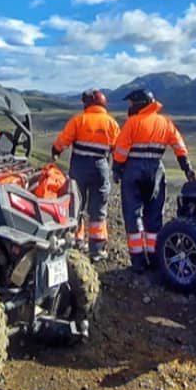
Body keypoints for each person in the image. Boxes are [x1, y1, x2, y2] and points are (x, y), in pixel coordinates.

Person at [112, 89, 196, 272]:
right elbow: (179, 147)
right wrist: (187, 168)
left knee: (133, 216)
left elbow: (120, 150)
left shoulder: (133, 123)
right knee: (154, 216)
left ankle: (138, 261)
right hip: (157, 170)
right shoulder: (165, 122)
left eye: (131, 103)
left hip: (133, 170)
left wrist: (116, 170)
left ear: (140, 103)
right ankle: (155, 258)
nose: (130, 107)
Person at [52, 89, 120, 261]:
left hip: (79, 168)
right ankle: (97, 250)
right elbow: (118, 150)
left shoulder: (78, 120)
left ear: (87, 104)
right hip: (101, 167)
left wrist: (56, 151)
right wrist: (118, 169)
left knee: (75, 206)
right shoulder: (112, 124)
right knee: (98, 210)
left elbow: (63, 141)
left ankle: (75, 241)